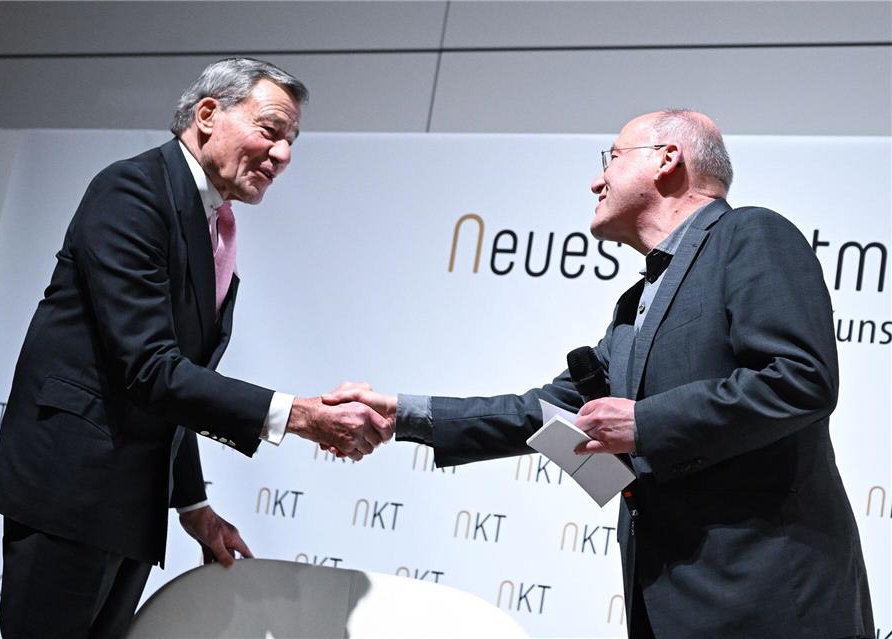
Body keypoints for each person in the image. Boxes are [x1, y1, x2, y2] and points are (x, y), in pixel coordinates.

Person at [324, 110, 874, 638]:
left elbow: (799, 379)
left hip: (769, 600)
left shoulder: (752, 234)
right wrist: (401, 414)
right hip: (668, 599)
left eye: (611, 158)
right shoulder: (636, 303)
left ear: (667, 159)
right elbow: (544, 414)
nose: (596, 181)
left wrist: (644, 424)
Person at [0, 58, 392, 639]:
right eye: (270, 131)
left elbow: (174, 386)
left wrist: (193, 507)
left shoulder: (214, 222)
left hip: (127, 507)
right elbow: (150, 368)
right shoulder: (132, 192)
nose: (282, 155)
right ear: (207, 114)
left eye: (291, 141)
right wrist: (298, 415)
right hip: (70, 496)